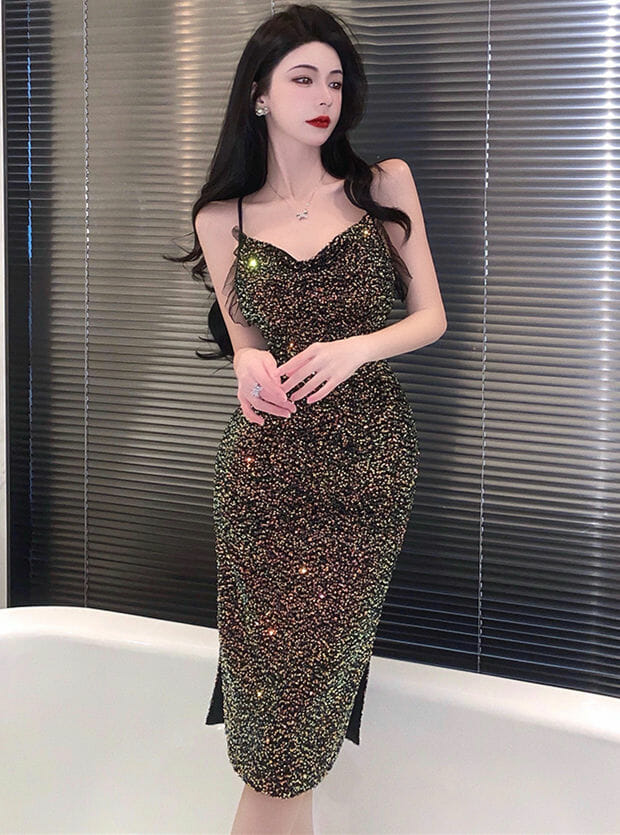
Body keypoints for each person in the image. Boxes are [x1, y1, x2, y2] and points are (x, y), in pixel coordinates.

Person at [166, 4, 446, 833]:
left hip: (367, 471)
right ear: (259, 94)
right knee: (275, 710)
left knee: (301, 704)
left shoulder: (381, 185)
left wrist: (356, 348)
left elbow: (430, 317)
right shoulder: (221, 219)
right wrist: (245, 365)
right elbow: (249, 351)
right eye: (303, 78)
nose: (325, 96)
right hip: (263, 481)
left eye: (335, 81)